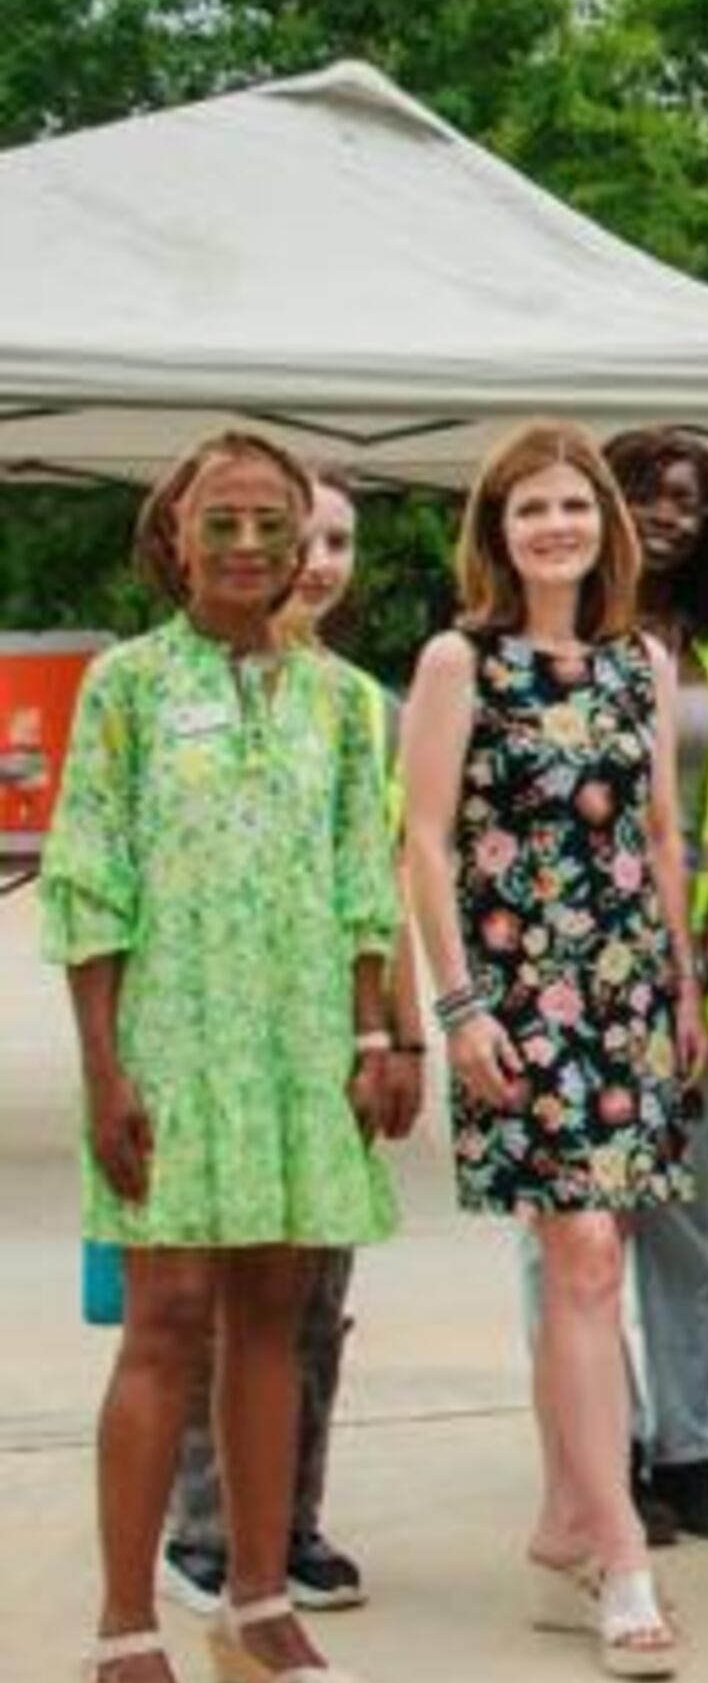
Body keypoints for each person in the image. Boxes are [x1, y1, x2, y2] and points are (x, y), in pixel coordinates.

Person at [54, 435, 402, 1683]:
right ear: (176, 534)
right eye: (227, 522)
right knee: (169, 1319)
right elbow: (90, 880)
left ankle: (258, 1608)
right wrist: (103, 1067)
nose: (253, 545)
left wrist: (375, 1034)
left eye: (278, 523)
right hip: (173, 1039)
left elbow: (361, 874)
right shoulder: (126, 686)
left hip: (302, 1038)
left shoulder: (337, 699)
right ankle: (123, 1637)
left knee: (275, 1310)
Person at [404, 423, 700, 1681]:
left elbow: (662, 834)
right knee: (577, 1253)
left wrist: (683, 983)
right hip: (522, 992)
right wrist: (460, 1006)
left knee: (597, 1256)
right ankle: (622, 1548)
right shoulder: (458, 662)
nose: (556, 527)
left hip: (630, 987)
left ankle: (560, 1525)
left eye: (574, 507)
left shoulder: (641, 659)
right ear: (497, 531)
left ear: (604, 527)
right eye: (531, 510)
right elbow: (421, 842)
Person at [152, 468, 412, 1621]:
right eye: (304, 533)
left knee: (313, 1298)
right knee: (213, 1299)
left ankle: (291, 1520)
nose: (317, 558)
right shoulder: (161, 682)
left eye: (338, 539)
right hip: (208, 1041)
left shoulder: (363, 705)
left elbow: (387, 880)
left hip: (328, 1037)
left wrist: (394, 1029)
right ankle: (204, 1531)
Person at [596, 428, 708, 1545]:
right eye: (646, 494)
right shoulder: (542, 639)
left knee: (685, 1217)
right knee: (580, 1226)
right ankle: (598, 1444)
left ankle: (690, 1443)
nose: (669, 515)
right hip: (579, 954)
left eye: (691, 501)